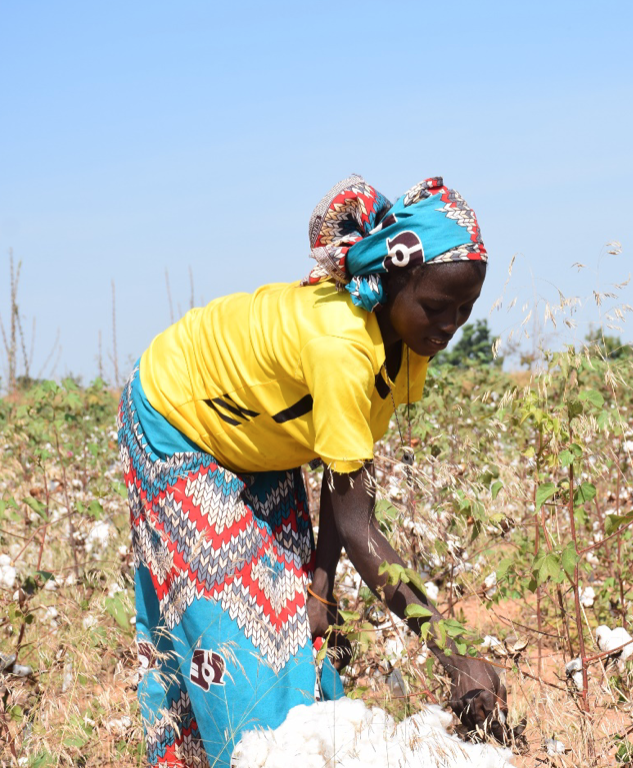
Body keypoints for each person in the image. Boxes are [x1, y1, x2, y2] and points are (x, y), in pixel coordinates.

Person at [117, 175, 506, 768]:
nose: (450, 323)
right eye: (436, 306)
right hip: (180, 415)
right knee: (232, 624)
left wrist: (319, 588)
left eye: (464, 309)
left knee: (296, 621)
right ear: (394, 281)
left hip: (259, 434)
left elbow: (342, 476)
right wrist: (453, 656)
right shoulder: (342, 346)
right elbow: (357, 526)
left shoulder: (407, 345)